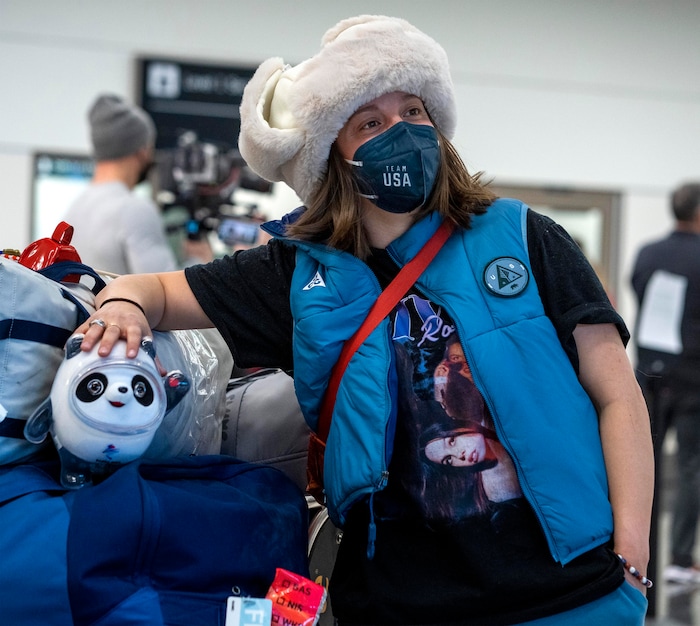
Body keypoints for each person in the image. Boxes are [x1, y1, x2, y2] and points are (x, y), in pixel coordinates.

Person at [75, 15, 654, 625]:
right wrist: (121, 305)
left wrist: (632, 558)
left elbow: (617, 394)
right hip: (395, 603)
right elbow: (153, 290)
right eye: (370, 123)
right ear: (334, 157)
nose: (400, 133)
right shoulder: (296, 276)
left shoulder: (521, 235)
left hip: (571, 595)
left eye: (413, 111)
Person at [631, 182, 700, 585]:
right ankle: (678, 558)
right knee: (690, 466)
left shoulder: (647, 253)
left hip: (650, 376)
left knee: (644, 464)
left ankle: (639, 555)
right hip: (694, 379)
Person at [64, 93, 178, 274]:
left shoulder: (74, 208)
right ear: (142, 151)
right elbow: (166, 294)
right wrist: (200, 259)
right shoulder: (134, 210)